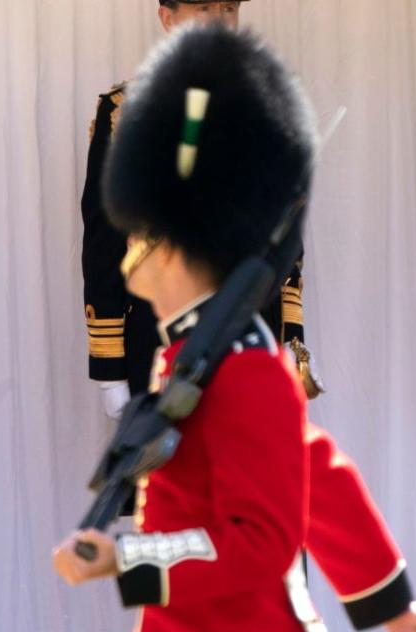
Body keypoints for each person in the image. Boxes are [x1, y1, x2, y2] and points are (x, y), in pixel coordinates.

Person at [53, 25, 416, 632]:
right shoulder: (190, 360)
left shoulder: (241, 372)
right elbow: (322, 476)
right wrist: (390, 605)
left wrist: (129, 559)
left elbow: (266, 539)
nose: (128, 247)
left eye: (145, 232)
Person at [82, 0, 321, 421]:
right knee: (171, 481)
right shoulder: (125, 115)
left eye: (228, 8)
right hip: (159, 342)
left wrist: (290, 336)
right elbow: (104, 244)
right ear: (167, 16)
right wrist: (109, 369)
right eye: (203, 7)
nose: (217, 21)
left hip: (252, 336)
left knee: (249, 478)